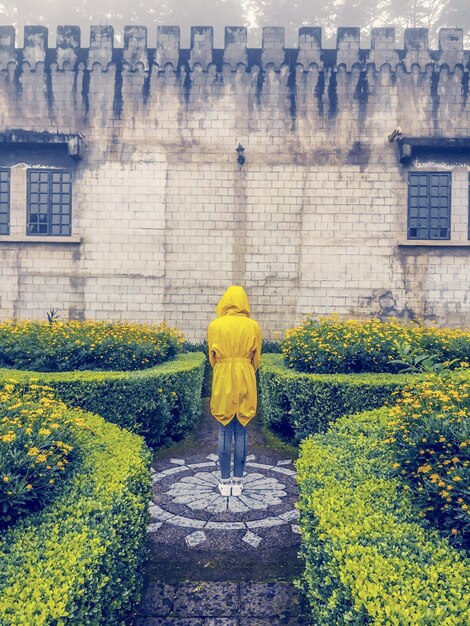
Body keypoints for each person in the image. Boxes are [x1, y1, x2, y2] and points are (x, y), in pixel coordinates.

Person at [208, 286, 262, 497]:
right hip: (245, 375)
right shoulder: (253, 326)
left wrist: (223, 367)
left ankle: (224, 482)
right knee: (241, 429)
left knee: (223, 428)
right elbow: (256, 358)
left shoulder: (215, 325)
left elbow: (212, 356)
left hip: (222, 376)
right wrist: (245, 368)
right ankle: (238, 482)